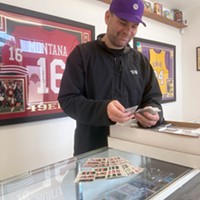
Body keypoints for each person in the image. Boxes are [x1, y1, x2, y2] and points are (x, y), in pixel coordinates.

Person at [58, 0, 164, 156]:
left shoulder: (141, 62)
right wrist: (103, 110)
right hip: (91, 151)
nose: (128, 31)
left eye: (134, 26)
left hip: (133, 151)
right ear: (108, 17)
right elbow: (68, 100)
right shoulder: (82, 54)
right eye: (123, 22)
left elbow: (153, 99)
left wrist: (155, 115)